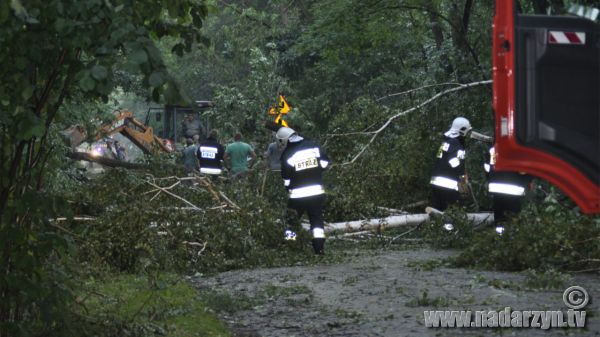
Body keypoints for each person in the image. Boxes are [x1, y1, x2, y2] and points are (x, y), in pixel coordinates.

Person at [277, 127, 329, 255]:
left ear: (283, 140)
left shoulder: (288, 154)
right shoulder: (313, 146)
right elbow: (325, 163)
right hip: (316, 192)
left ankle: (290, 245)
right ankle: (319, 249)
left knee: (291, 221)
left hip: (297, 195)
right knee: (316, 221)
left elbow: (286, 178)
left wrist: (287, 189)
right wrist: (316, 171)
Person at [429, 117, 472, 229]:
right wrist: (462, 176)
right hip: (448, 183)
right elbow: (453, 161)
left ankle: (435, 229)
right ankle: (448, 230)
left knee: (438, 209)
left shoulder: (447, 141)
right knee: (451, 209)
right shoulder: (455, 143)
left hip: (436, 181)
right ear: (462, 130)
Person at [484, 145, 531, 234]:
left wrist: (490, 178)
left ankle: (499, 234)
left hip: (496, 186)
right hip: (513, 188)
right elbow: (522, 171)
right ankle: (512, 235)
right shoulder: (518, 148)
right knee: (512, 214)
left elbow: (487, 167)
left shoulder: (493, 149)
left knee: (499, 213)